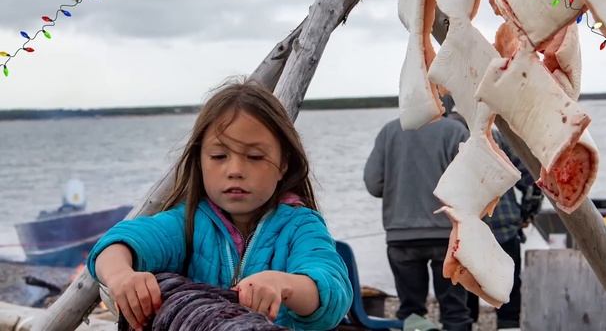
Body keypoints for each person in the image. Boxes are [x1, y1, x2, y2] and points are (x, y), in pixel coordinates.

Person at [86, 80, 352, 330]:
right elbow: (118, 243)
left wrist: (284, 284)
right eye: (219, 156)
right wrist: (121, 276)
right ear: (200, 160)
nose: (235, 170)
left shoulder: (300, 225)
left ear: (283, 164)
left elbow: (332, 291)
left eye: (255, 156)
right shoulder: (187, 222)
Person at [363, 115, 473, 331]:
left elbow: (373, 183)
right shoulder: (456, 131)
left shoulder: (389, 131)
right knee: (455, 310)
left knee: (411, 311)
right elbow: (473, 181)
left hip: (401, 235)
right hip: (448, 236)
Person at [466, 128, 542, 329]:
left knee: (462, 292)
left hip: (461, 231)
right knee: (507, 288)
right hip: (503, 226)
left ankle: (467, 323)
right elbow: (532, 179)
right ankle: (508, 325)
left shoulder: (442, 134)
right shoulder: (494, 135)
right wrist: (527, 213)